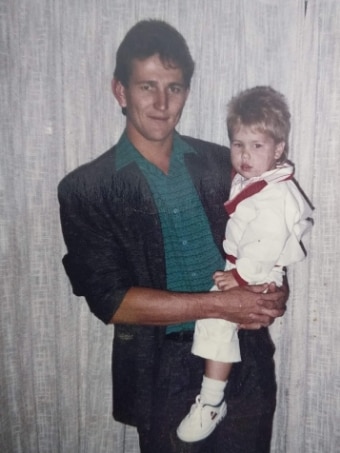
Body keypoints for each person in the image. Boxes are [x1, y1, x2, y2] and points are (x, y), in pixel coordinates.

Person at [58, 20, 288, 453]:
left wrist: (270, 290)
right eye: (148, 87)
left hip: (245, 362)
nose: (163, 103)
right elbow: (111, 301)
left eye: (175, 88)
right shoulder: (87, 189)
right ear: (121, 92)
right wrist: (222, 304)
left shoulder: (227, 163)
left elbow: (265, 233)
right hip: (161, 373)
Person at [177, 86, 314, 443]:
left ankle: (210, 402)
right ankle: (212, 398)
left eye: (257, 146)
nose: (245, 155)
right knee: (216, 324)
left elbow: (266, 241)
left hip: (254, 269)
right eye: (239, 145)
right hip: (249, 266)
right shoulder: (255, 180)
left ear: (278, 149)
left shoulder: (273, 193)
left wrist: (240, 276)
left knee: (216, 322)